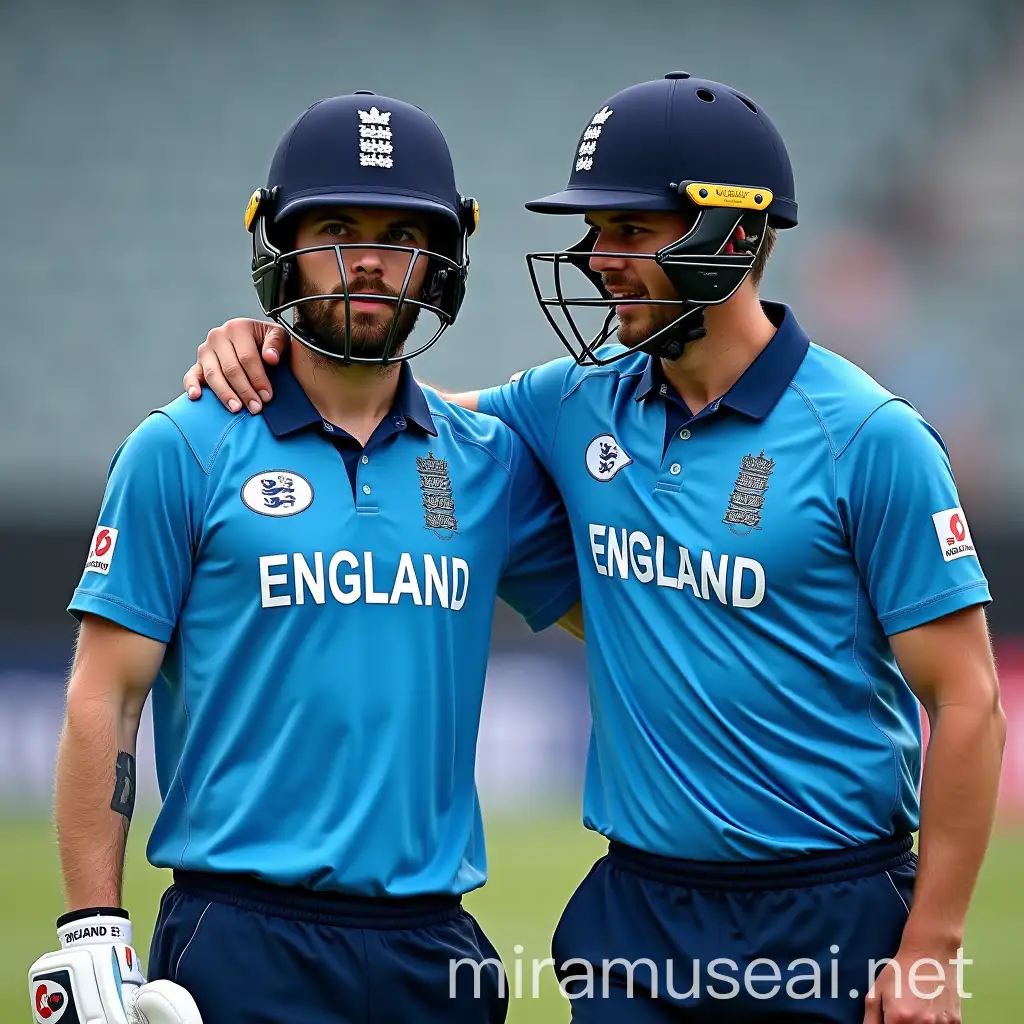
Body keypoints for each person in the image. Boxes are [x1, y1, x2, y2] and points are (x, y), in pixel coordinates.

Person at [183, 74, 1005, 1023]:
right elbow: (397, 414)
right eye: (593, 233)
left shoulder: (872, 439)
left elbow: (969, 698)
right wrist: (273, 340)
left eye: (627, 233)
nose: (596, 260)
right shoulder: (571, 402)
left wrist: (934, 949)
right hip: (638, 915)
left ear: (730, 236)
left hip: (831, 909)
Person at [30, 92, 583, 1024]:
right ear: (278, 246)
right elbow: (106, 693)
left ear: (441, 264)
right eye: (335, 228)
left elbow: (630, 613)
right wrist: (93, 925)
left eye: (402, 234)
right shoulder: (185, 447)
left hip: (434, 949)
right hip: (240, 940)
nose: (368, 260)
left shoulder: (484, 464)